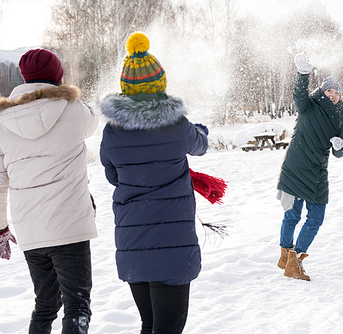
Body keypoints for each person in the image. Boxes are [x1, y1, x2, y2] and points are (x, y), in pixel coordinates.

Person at [99, 32, 208, 334]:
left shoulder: (112, 131)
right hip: (172, 243)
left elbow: (112, 176)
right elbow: (200, 145)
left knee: (150, 324)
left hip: (133, 242)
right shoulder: (177, 124)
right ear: (160, 83)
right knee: (169, 328)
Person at [0, 49, 98, 333]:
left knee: (44, 305)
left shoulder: (0, 122)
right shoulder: (75, 110)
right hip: (70, 227)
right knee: (77, 306)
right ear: (58, 75)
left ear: (23, 77)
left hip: (31, 231)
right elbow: (94, 122)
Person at [276, 53, 343, 281]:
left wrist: (340, 146)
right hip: (297, 168)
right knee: (292, 216)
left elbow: (341, 150)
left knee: (316, 218)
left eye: (336, 92)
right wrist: (303, 74)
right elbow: (299, 94)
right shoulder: (308, 105)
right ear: (322, 92)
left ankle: (293, 258)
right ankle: (288, 258)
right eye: (329, 91)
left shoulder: (339, 117)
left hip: (319, 172)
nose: (333, 95)